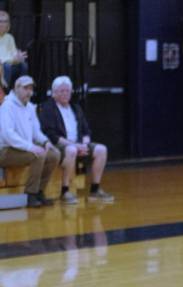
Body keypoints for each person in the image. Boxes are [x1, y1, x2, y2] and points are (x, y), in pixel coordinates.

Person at [38, 76, 114, 204]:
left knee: (101, 149)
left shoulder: (76, 108)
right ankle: (65, 190)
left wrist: (84, 144)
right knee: (71, 150)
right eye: (61, 91)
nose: (65, 93)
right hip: (60, 145)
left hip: (78, 144)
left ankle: (95, 189)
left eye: (67, 90)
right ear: (54, 93)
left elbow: (86, 130)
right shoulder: (48, 108)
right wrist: (75, 146)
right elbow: (51, 134)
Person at [0, 75, 59, 208]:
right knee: (37, 155)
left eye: (31, 88)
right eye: (25, 88)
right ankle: (30, 195)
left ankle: (39, 191)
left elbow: (36, 131)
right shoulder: (7, 106)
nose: (29, 92)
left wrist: (45, 142)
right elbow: (8, 134)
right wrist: (30, 147)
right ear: (16, 89)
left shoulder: (30, 107)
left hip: (22, 148)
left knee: (54, 154)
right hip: (4, 150)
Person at [0, 11, 28, 89]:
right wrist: (13, 60)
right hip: (2, 66)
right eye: (0, 21)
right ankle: (5, 92)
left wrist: (19, 56)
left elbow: (13, 53)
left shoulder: (9, 37)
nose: (2, 24)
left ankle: (21, 89)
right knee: (6, 67)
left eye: (5, 21)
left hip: (9, 63)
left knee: (24, 65)